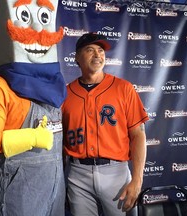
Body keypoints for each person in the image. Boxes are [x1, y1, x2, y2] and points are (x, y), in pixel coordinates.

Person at [0, 0, 66, 215]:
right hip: (20, 193)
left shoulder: (55, 85)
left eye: (44, 18)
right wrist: (31, 138)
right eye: (24, 17)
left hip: (55, 185)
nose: (39, 31)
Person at [62, 32, 149, 216]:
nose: (97, 54)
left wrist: (137, 179)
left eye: (101, 50)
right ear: (77, 57)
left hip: (116, 173)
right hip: (78, 173)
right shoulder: (65, 94)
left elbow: (138, 135)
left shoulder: (123, 88)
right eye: (90, 50)